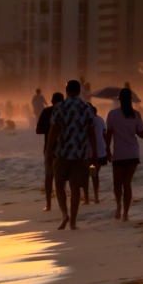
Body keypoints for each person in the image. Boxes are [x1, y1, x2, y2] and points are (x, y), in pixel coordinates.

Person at [46, 81, 99, 231]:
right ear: (79, 90)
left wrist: (49, 150)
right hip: (81, 154)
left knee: (59, 184)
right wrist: (94, 153)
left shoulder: (59, 107)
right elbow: (92, 134)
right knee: (75, 188)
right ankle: (73, 221)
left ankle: (64, 214)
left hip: (62, 152)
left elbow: (53, 130)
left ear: (67, 90)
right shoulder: (87, 108)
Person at [105, 87, 143, 222]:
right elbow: (142, 135)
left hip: (120, 153)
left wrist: (107, 150)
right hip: (133, 152)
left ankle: (118, 206)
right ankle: (126, 213)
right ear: (131, 99)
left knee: (117, 184)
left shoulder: (112, 114)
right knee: (127, 183)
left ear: (119, 99)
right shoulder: (136, 114)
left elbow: (108, 134)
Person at [36, 92, 63, 208]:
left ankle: (48, 204)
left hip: (49, 147)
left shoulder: (46, 112)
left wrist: (49, 128)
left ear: (52, 102)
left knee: (49, 176)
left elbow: (38, 130)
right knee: (61, 177)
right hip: (64, 148)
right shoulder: (66, 112)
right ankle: (62, 203)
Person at [88, 103, 107, 203]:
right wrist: (107, 148)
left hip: (90, 152)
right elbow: (104, 134)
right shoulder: (100, 119)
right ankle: (96, 196)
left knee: (90, 173)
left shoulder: (86, 120)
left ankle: (87, 198)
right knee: (95, 174)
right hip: (101, 151)